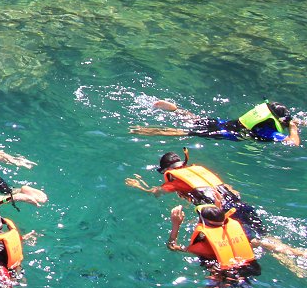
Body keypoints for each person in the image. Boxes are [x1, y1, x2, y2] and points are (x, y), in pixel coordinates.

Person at [125, 151, 307, 275]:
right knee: (265, 239)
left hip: (225, 214)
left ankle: (296, 258)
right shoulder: (201, 172)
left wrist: (140, 187)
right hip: (240, 205)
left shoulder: (176, 181)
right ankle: (296, 256)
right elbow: (231, 190)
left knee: (257, 242)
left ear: (167, 170)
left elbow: (157, 193)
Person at [166, 204, 261, 288]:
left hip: (223, 277)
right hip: (247, 271)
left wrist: (176, 224)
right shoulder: (237, 231)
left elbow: (172, 247)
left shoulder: (201, 247)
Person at [131, 99, 300, 146]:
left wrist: (295, 121)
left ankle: (175, 110)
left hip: (226, 123)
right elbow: (293, 143)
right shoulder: (267, 131)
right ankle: (144, 131)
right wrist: (293, 127)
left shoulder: (263, 117)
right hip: (229, 134)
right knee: (185, 133)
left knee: (195, 120)